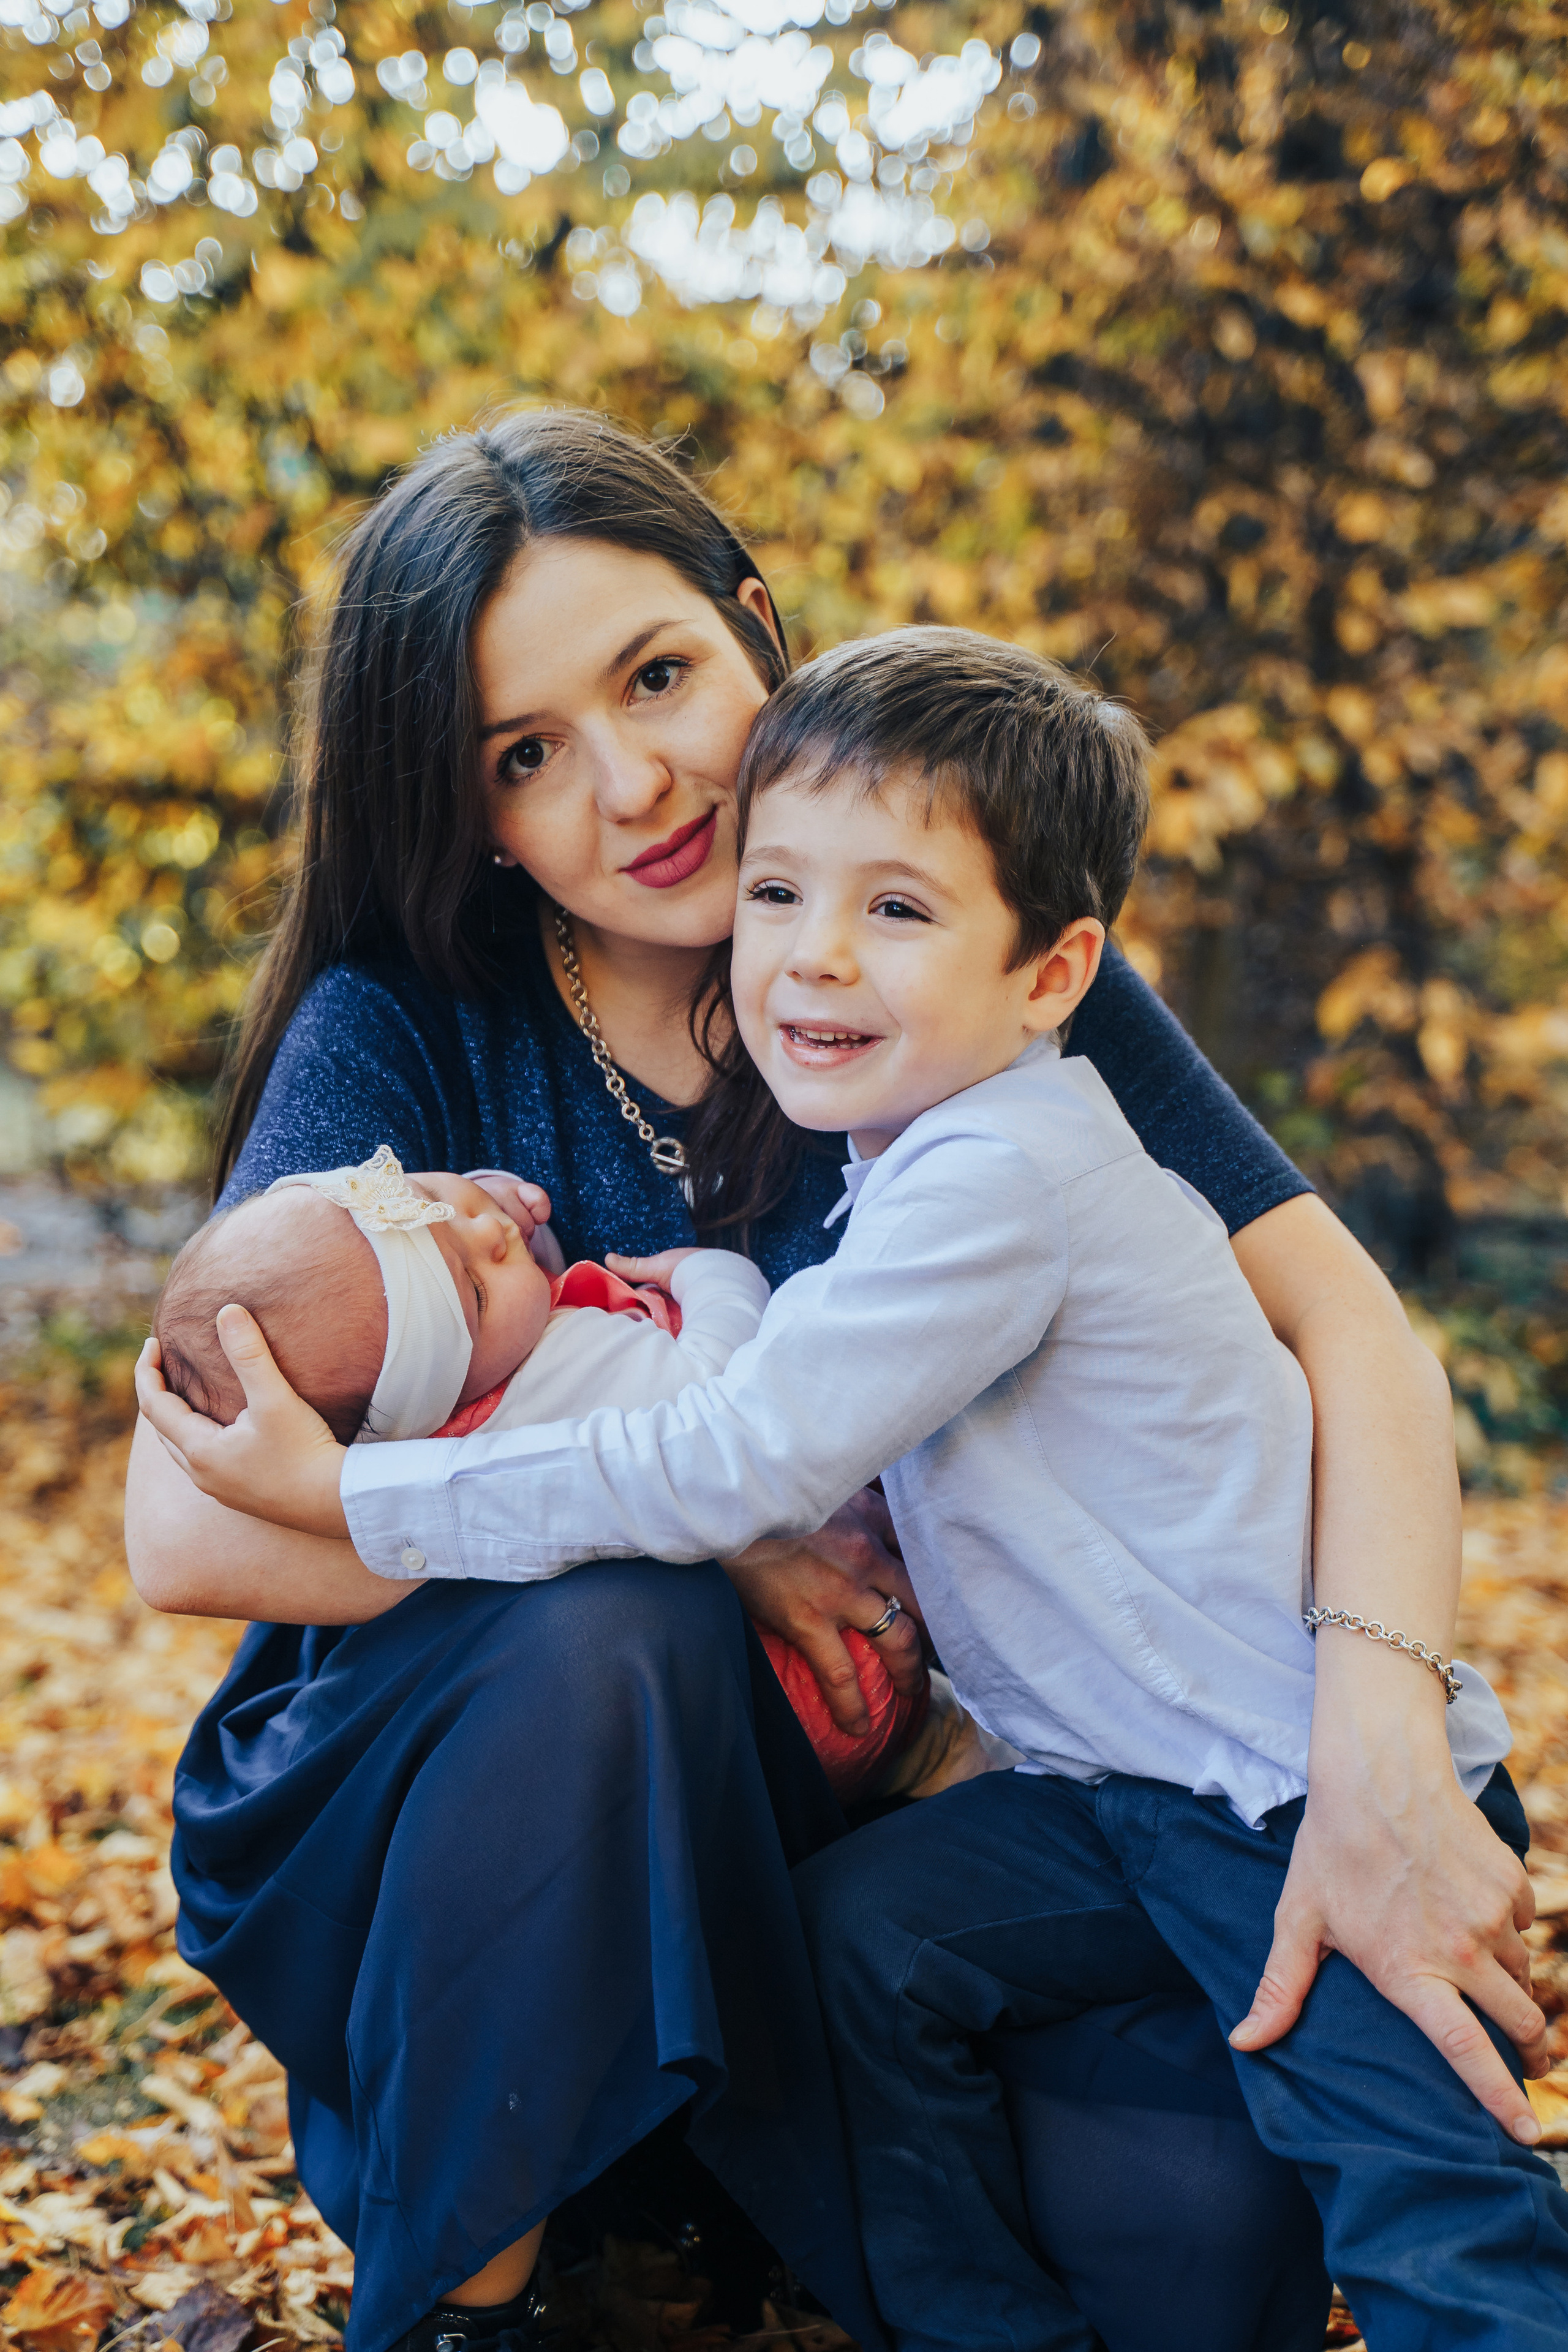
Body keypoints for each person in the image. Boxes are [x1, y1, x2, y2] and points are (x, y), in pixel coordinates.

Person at [126, 409, 1542, 2352]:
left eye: (657, 677)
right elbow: (184, 1524)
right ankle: (479, 2294)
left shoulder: (955, 943)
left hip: (919, 1820)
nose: (632, 784)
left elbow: (1347, 1323)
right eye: (526, 756)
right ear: (467, 814)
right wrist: (721, 1548)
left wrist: (1374, 1745)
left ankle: (758, 2201)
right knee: (615, 1634)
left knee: (1199, 2252)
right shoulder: (411, 1034)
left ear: (754, 621)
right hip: (502, 1842)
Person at [153, 1148, 967, 1801]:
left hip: (728, 1730)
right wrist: (715, 1279)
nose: (489, 1232)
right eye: (472, 1291)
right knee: (950, 1746)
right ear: (446, 1382)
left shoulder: (428, 1420)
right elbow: (721, 1393)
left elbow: (400, 1285)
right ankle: (939, 1755)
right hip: (835, 1697)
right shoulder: (573, 1367)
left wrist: (493, 1241)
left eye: (427, 1197)